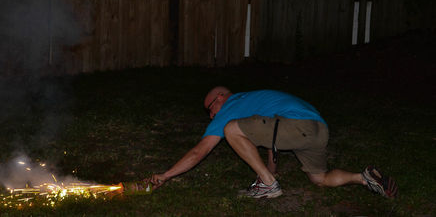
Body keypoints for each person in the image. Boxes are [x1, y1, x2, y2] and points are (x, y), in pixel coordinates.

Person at [149, 86, 398, 198]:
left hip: (297, 125)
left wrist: (165, 175)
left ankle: (269, 186)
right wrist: (271, 168)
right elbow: (272, 135)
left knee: (231, 129)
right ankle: (363, 177)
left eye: (210, 109)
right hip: (318, 128)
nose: (211, 115)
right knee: (319, 179)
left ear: (221, 98)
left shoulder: (231, 107)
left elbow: (199, 152)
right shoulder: (253, 100)